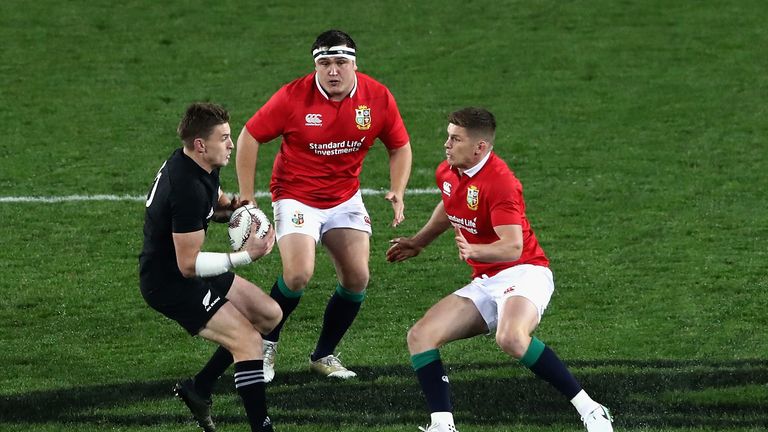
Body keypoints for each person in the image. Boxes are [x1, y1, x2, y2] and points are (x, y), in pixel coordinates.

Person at [386, 107, 614, 432]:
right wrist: (420, 241)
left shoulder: (501, 183)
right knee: (421, 336)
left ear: (479, 147)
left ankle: (591, 409)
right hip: (486, 279)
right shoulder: (448, 172)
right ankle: (443, 425)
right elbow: (450, 204)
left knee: (510, 338)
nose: (446, 145)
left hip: (525, 272)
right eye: (448, 136)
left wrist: (475, 249)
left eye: (455, 139)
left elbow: (513, 246)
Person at [236, 29, 412, 382]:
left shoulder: (376, 97)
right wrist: (247, 196)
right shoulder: (293, 97)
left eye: (341, 63)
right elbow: (250, 135)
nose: (333, 71)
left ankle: (324, 354)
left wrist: (398, 189)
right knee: (298, 274)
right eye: (325, 63)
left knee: (358, 278)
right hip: (296, 194)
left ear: (354, 65)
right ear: (316, 65)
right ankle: (265, 343)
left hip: (344, 196)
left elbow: (400, 145)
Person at [139, 102, 282, 432]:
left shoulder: (199, 164)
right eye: (225, 138)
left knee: (268, 315)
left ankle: (199, 388)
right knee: (247, 341)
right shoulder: (185, 187)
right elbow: (188, 265)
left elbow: (215, 202)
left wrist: (236, 212)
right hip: (169, 283)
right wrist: (247, 255)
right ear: (201, 144)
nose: (232, 144)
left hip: (183, 270)